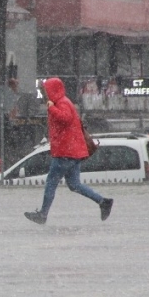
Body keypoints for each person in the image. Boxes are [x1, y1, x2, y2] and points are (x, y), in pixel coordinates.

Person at [24, 77, 113, 225]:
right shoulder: (63, 102)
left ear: (53, 90)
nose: (45, 94)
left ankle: (43, 214)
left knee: (51, 182)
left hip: (65, 152)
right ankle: (103, 202)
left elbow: (64, 118)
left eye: (46, 90)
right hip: (72, 151)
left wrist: (51, 107)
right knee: (75, 185)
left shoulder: (62, 103)